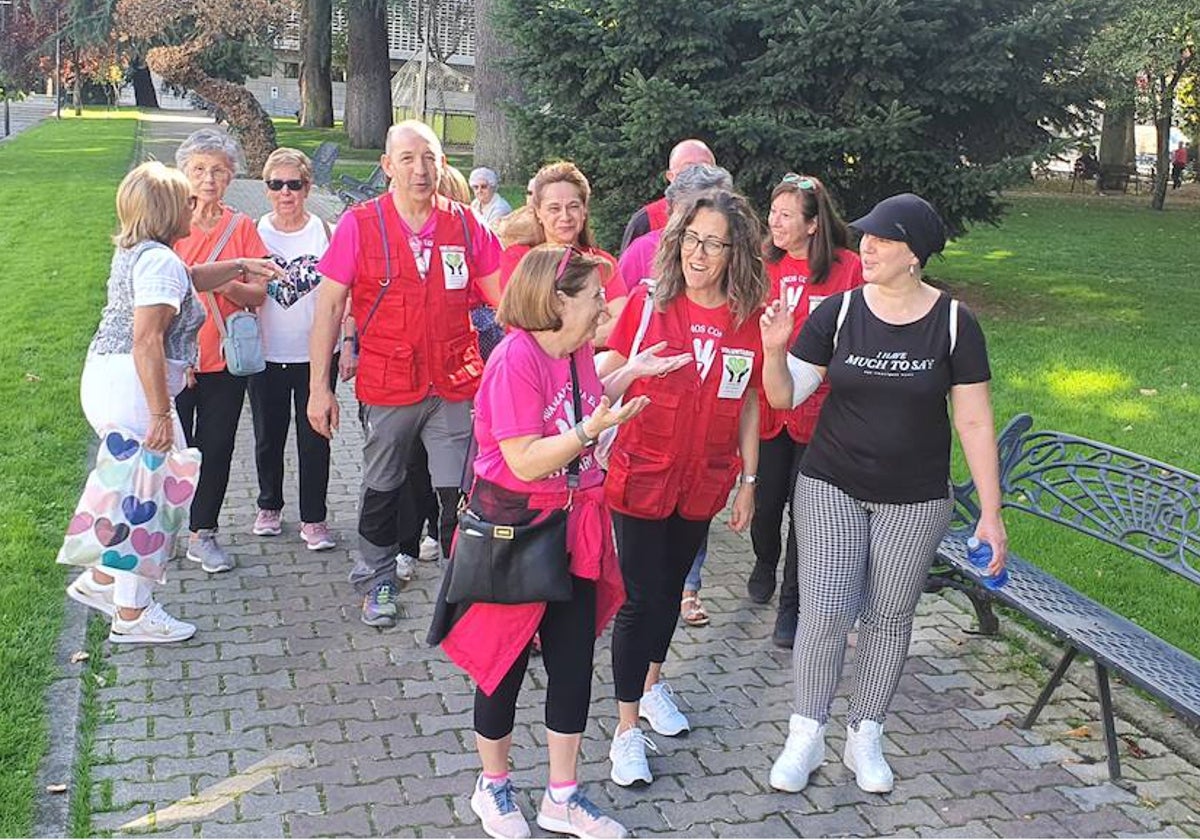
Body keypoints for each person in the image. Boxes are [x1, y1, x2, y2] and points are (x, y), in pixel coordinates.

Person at [429, 245, 688, 839]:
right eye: (595, 295)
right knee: (504, 666)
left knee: (573, 666)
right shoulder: (514, 359)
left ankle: (561, 797)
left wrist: (630, 372)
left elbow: (583, 403)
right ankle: (491, 789)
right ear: (558, 299)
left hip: (576, 527)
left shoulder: (573, 352)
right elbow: (523, 459)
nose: (604, 305)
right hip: (516, 529)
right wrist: (592, 431)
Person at [759, 193, 1007, 795]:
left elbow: (974, 422)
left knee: (890, 618)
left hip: (916, 499)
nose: (864, 246)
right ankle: (807, 732)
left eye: (881, 239)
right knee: (824, 610)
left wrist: (991, 516)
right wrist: (773, 350)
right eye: (864, 236)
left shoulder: (953, 323)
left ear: (914, 254)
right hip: (832, 484)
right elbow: (785, 396)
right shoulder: (840, 313)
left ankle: (864, 735)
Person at [70, 161, 280, 642]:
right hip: (133, 385)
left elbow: (193, 278)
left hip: (109, 376)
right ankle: (132, 613)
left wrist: (243, 264)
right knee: (153, 496)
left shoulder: (143, 252)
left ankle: (103, 581)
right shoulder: (160, 262)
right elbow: (147, 339)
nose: (195, 204)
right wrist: (162, 412)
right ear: (169, 209)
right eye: (186, 198)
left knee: (130, 491)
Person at [599, 190, 768, 787]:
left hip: (703, 480)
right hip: (643, 474)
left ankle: (651, 686)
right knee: (640, 599)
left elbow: (749, 402)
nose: (700, 253)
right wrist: (632, 369)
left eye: (715, 243)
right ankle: (625, 732)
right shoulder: (649, 307)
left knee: (670, 592)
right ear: (678, 241)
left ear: (735, 252)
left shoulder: (748, 319)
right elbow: (604, 378)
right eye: (692, 239)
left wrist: (750, 481)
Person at [307, 120, 502, 629]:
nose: (421, 169)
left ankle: (467, 591)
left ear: (442, 164)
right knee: (383, 487)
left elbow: (508, 302)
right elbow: (328, 309)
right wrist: (319, 389)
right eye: (409, 158)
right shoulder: (360, 224)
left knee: (460, 492)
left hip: (454, 381)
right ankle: (375, 582)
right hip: (389, 384)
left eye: (430, 157)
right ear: (387, 166)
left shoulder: (465, 225)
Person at [616, 163, 735, 628]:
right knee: (642, 587)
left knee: (685, 538)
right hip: (646, 446)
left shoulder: (741, 288)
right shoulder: (642, 254)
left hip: (702, 452)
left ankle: (689, 588)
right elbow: (614, 335)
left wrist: (747, 479)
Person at [749, 174, 864, 650]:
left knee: (805, 510)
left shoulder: (847, 269)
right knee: (766, 502)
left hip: (823, 411)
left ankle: (791, 606)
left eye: (786, 215)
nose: (774, 222)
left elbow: (862, 326)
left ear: (814, 225)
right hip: (772, 404)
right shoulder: (763, 264)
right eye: (772, 213)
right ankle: (762, 559)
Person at [174, 127, 270, 574]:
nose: (208, 179)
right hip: (177, 360)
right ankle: (159, 529)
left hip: (226, 360)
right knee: (171, 451)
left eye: (218, 171)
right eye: (199, 170)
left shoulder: (242, 226)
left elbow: (258, 295)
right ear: (184, 174)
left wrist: (218, 279)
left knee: (215, 448)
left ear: (231, 177)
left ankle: (202, 533)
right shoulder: (171, 224)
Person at [249, 147, 350, 551]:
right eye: (276, 184)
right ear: (266, 189)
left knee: (315, 438)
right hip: (267, 351)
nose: (285, 192)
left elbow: (344, 294)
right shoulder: (254, 231)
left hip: (315, 354)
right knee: (267, 436)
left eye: (294, 184)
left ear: (308, 188)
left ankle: (315, 518)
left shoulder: (325, 233)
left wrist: (349, 340)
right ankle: (269, 506)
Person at [499, 162, 627, 347]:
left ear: (584, 211)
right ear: (538, 214)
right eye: (554, 208)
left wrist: (564, 330)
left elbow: (623, 326)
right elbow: (528, 330)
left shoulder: (602, 262)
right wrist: (595, 323)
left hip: (596, 369)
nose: (565, 216)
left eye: (573, 206)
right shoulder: (520, 259)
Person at [618, 139, 716, 255]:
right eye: (687, 169)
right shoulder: (646, 220)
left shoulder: (731, 217)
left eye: (705, 169)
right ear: (670, 176)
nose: (697, 176)